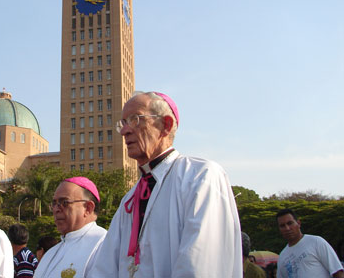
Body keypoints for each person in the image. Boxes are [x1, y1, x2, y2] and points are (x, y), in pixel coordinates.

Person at [88, 91, 242, 278]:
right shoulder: (129, 199)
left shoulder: (200, 176)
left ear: (165, 125)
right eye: (122, 123)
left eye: (135, 119)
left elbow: (200, 264)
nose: (124, 131)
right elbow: (105, 268)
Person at [34, 177, 106, 278]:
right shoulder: (51, 253)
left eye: (64, 203)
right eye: (54, 204)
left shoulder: (104, 245)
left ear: (88, 208)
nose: (56, 209)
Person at [276, 208, 344, 278]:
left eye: (290, 223)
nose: (287, 228)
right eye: (282, 226)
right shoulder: (282, 257)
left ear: (298, 223)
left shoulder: (316, 242)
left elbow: (338, 272)